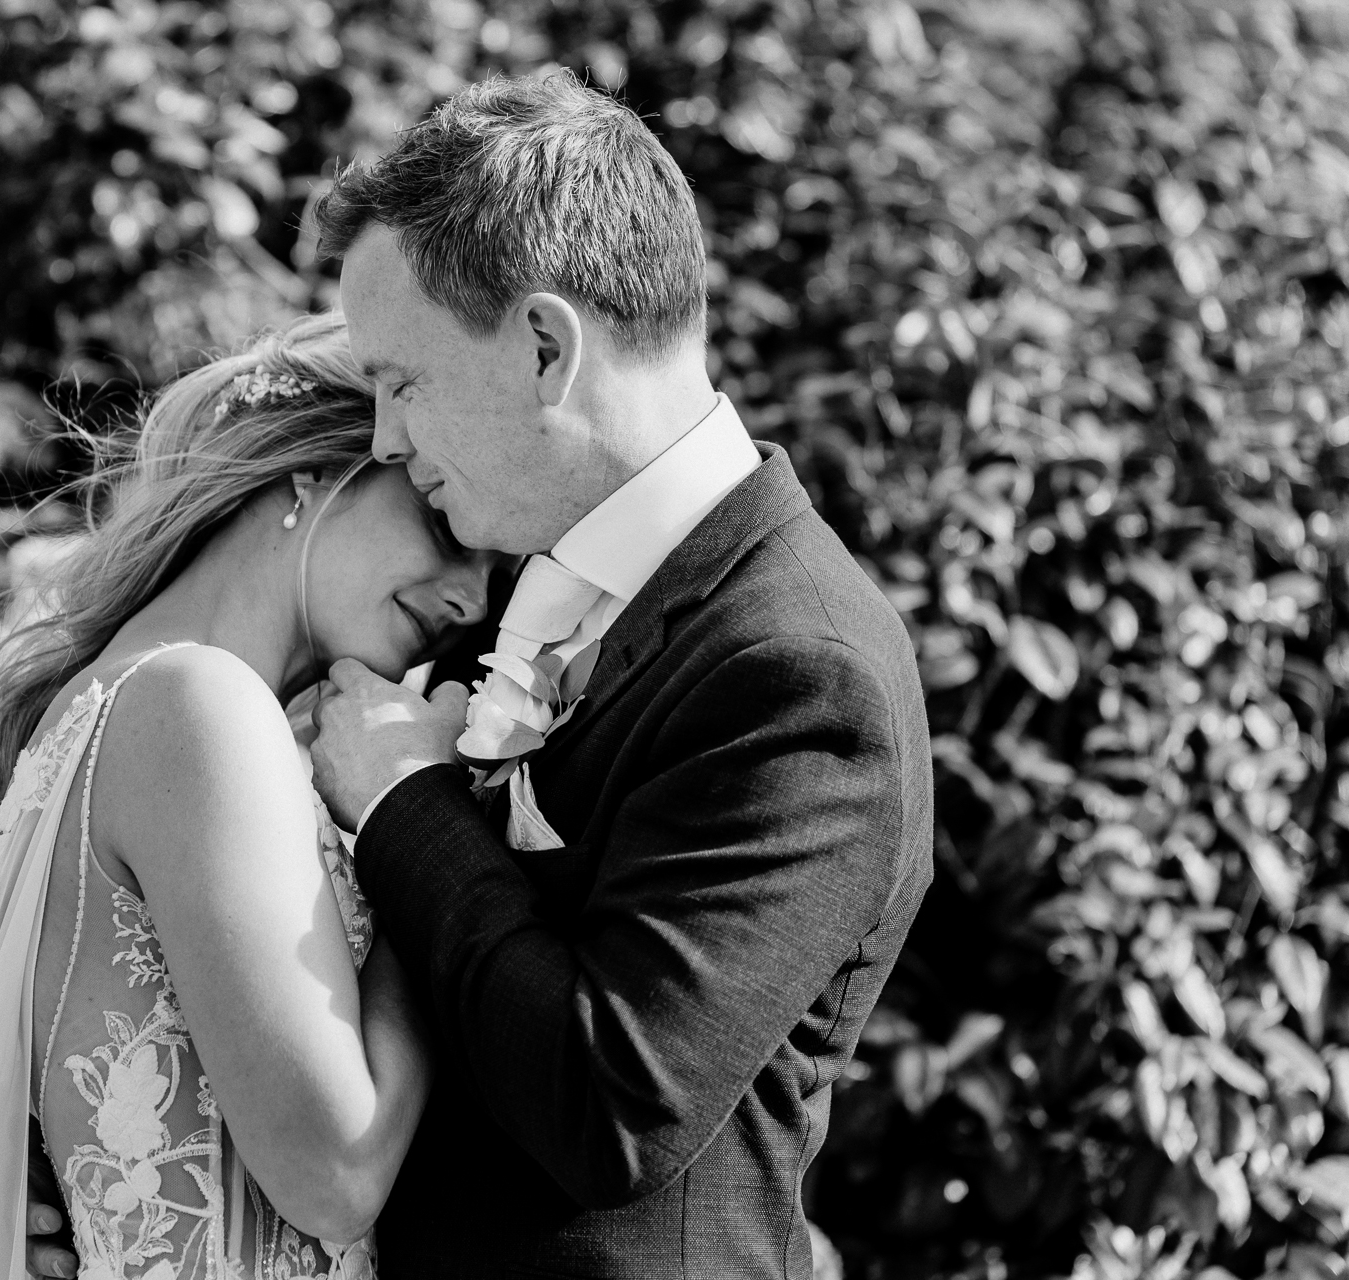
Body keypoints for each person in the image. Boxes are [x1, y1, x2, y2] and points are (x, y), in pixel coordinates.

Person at [306, 71, 935, 1277]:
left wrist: (402, 804)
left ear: (545, 346)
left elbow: (616, 1099)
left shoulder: (799, 669)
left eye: (402, 380)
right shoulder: (499, 594)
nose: (386, 439)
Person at [0, 312, 497, 1280]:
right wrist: (422, 817)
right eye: (446, 521)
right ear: (315, 469)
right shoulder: (198, 707)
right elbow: (336, 1173)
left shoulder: (117, 703)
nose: (472, 598)